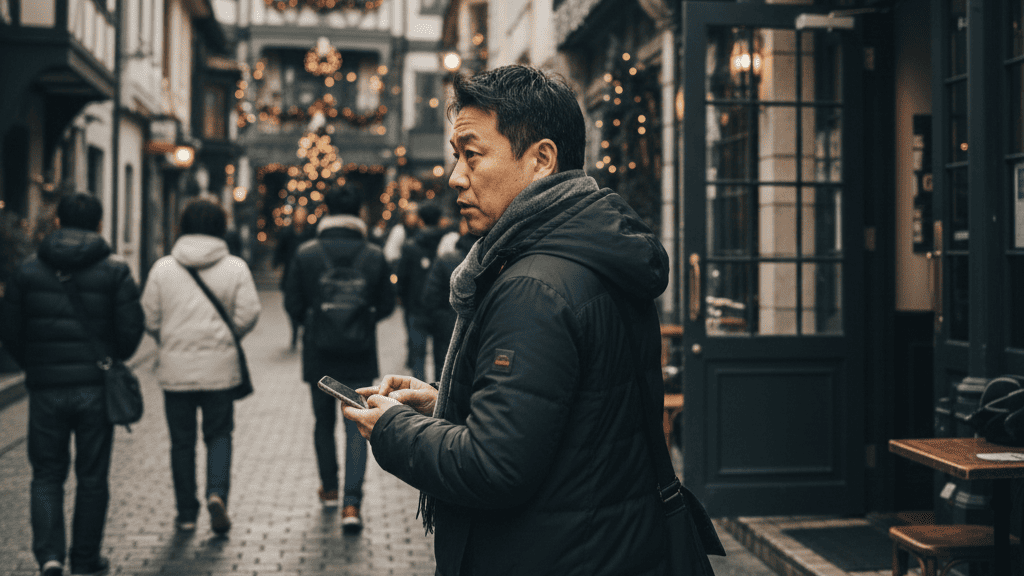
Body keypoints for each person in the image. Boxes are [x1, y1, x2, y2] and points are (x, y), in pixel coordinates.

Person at [342, 65, 682, 575]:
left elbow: (494, 465)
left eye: (472, 155)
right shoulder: (588, 249)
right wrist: (446, 401)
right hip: (603, 544)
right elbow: (573, 413)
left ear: (541, 159)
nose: (456, 176)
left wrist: (392, 427)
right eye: (457, 157)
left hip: (549, 554)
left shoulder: (533, 284)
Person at [0, 193, 145, 576]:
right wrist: (112, 356)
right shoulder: (115, 270)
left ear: (58, 222)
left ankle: (49, 556)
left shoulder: (28, 271)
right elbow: (131, 333)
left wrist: (35, 363)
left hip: (46, 388)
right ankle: (85, 559)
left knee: (46, 473)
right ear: (99, 224)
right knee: (92, 477)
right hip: (96, 387)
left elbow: (10, 331)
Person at [140, 198, 260, 535]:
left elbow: (149, 316)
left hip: (175, 371)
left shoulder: (163, 268)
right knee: (219, 435)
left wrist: (168, 337)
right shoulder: (235, 267)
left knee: (181, 442)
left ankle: (186, 513)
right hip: (220, 369)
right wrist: (228, 335)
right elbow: (249, 312)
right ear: (221, 227)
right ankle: (216, 494)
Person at [283, 185, 395, 532]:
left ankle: (329, 489)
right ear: (359, 213)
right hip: (359, 354)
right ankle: (351, 504)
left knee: (322, 423)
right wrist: (359, 320)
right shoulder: (374, 254)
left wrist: (317, 322)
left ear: (326, 211)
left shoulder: (306, 253)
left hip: (319, 352)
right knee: (357, 424)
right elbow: (389, 303)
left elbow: (293, 303)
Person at [395, 202, 447, 381]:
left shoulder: (411, 246)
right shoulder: (447, 246)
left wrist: (403, 299)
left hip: (416, 308)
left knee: (418, 357)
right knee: (443, 359)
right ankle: (439, 398)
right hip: (442, 308)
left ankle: (418, 398)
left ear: (420, 220)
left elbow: (402, 278)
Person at [419, 217, 475, 380]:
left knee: (444, 374)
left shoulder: (446, 259)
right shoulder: (495, 260)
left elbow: (429, 298)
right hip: (482, 331)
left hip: (446, 330)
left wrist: (439, 324)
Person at [273, 208, 315, 349]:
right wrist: (276, 262)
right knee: (289, 303)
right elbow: (280, 249)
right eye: (298, 214)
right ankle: (295, 330)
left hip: (306, 274)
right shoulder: (287, 233)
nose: (300, 217)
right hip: (289, 273)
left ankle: (302, 329)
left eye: (302, 214)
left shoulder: (309, 233)